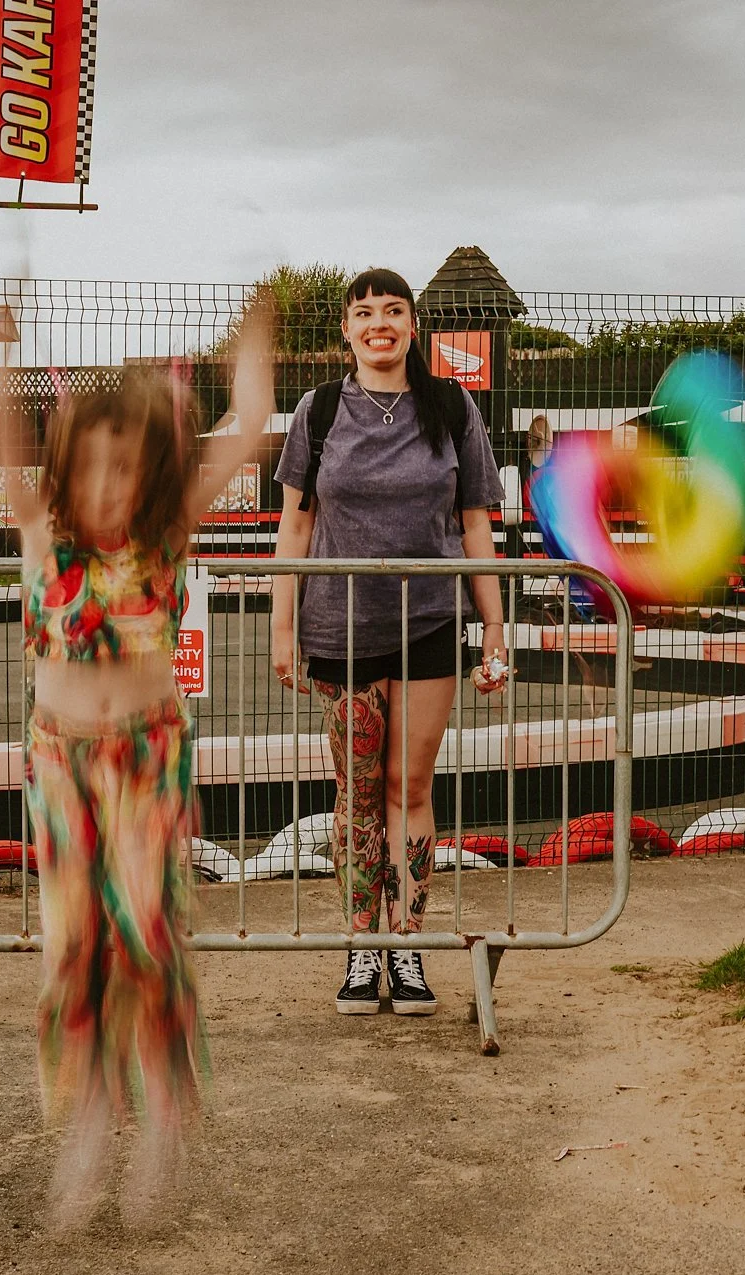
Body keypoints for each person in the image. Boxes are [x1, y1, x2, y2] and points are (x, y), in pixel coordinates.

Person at [0, 304, 272, 1225]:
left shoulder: (168, 527)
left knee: (145, 932)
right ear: (63, 466)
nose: (105, 483)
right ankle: (90, 1116)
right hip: (61, 758)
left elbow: (248, 423)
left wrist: (251, 349)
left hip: (144, 755)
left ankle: (165, 1105)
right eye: (89, 462)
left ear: (153, 471)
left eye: (125, 464)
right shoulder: (38, 522)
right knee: (75, 948)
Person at [269, 268, 508, 1019]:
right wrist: (282, 627)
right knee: (356, 794)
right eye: (364, 312)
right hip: (340, 631)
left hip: (430, 624)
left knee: (410, 787)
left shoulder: (451, 405)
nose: (379, 322)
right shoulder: (319, 411)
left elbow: (476, 525)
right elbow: (296, 527)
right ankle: (358, 942)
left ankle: (407, 942)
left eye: (394, 310)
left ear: (413, 326)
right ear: (346, 330)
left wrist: (495, 628)